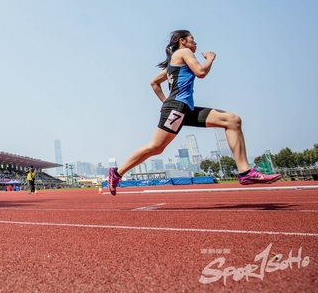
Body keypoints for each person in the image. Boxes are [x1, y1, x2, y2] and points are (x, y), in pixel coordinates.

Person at [108, 30, 281, 195]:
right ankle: (117, 172)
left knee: (232, 121)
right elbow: (201, 72)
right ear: (182, 41)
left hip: (185, 109)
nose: (195, 43)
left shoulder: (175, 62)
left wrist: (165, 102)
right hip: (177, 108)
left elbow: (154, 82)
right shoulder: (184, 52)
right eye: (192, 39)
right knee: (156, 147)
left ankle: (245, 172)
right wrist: (210, 59)